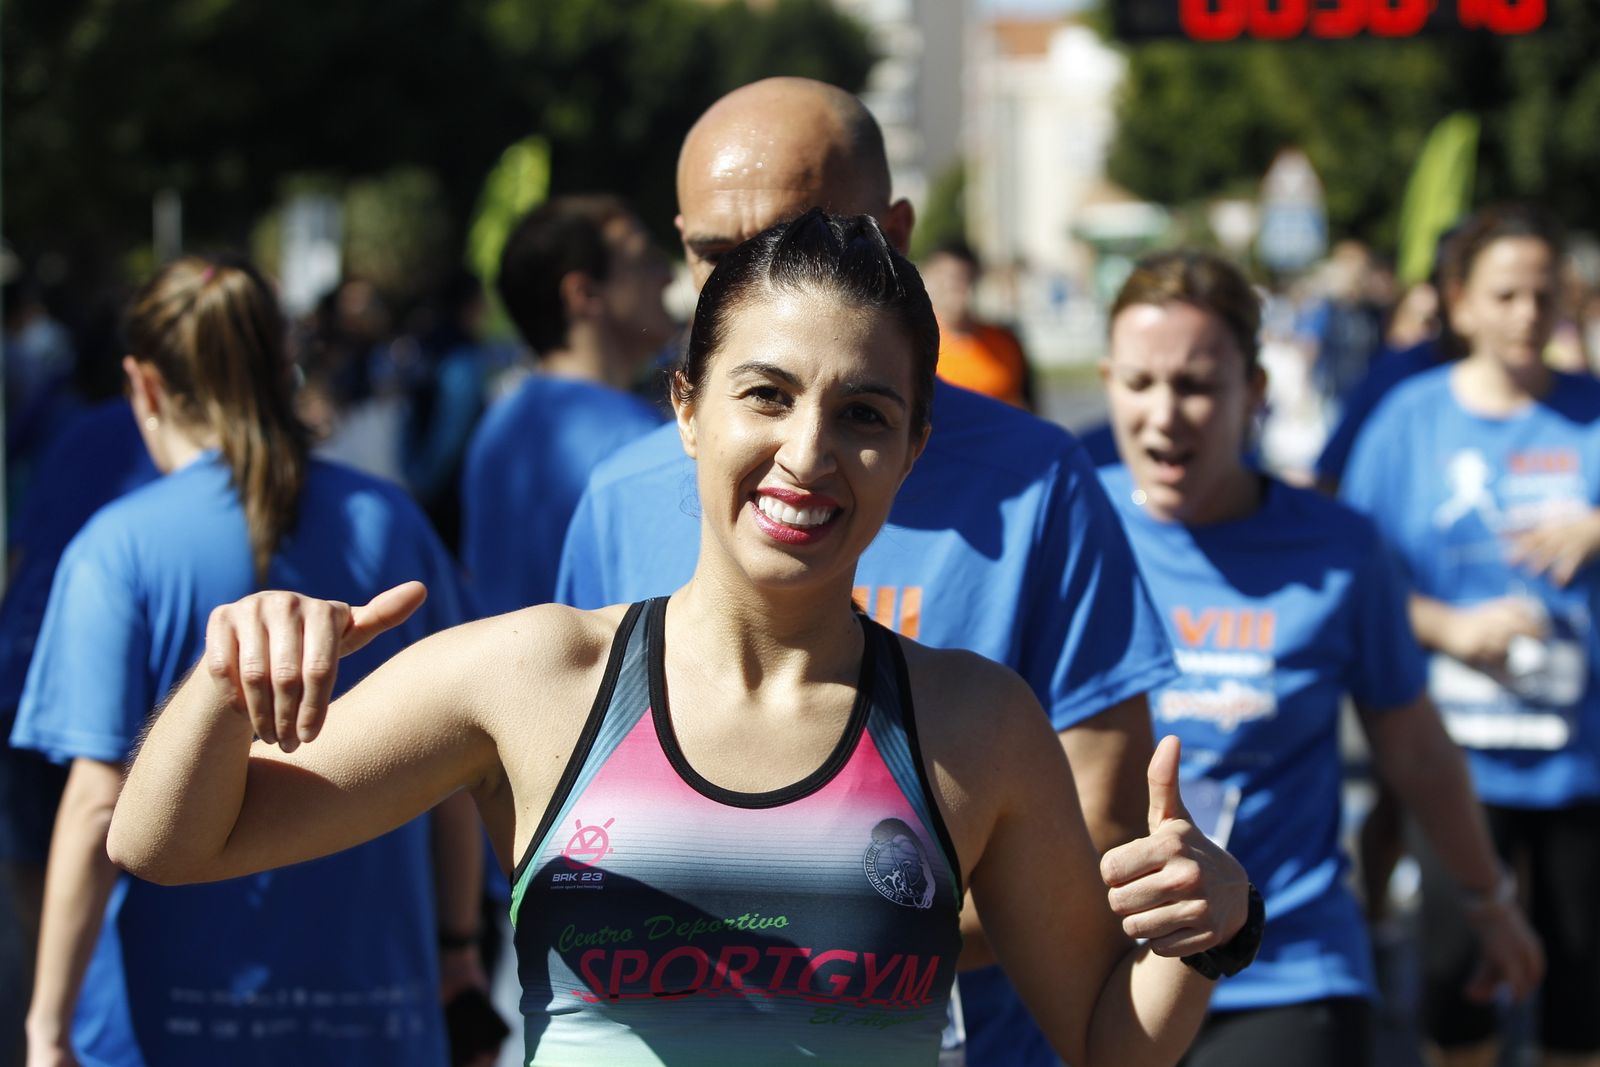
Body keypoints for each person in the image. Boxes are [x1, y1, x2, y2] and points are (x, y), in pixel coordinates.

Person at [108, 210, 1259, 1067]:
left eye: (863, 413)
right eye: (765, 393)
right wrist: (221, 684)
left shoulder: (976, 722)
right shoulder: (532, 676)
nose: (807, 453)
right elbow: (167, 841)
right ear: (685, 407)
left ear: (912, 451)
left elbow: (1111, 1044)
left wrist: (1208, 928)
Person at [553, 77, 1179, 1066]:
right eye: (719, 255)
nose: (762, 289)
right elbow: (558, 790)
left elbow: (1099, 811)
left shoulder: (1035, 482)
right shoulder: (619, 493)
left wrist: (807, 956)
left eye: (804, 239)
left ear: (893, 232)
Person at [11, 255, 482, 1067]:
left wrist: (46, 1025)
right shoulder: (391, 523)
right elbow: (456, 777)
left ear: (145, 386)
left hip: (164, 1023)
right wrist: (458, 946)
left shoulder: (116, 547)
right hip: (375, 1008)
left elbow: (96, 805)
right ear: (281, 362)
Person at [1097, 249, 1542, 1067]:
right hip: (1101, 967)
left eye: (1196, 385)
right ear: (1106, 381)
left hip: (1287, 965)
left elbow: (1412, 744)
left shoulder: (1339, 549)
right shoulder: (1070, 529)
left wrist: (1488, 900)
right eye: (1138, 383)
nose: (1164, 414)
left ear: (1255, 393)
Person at [1341, 205, 1600, 1067]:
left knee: (1579, 1002)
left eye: (1544, 293)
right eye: (1506, 294)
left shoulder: (1592, 412)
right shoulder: (1409, 420)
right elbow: (1353, 578)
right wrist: (1450, 626)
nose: (1528, 313)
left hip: (1583, 765)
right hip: (1455, 760)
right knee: (1455, 992)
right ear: (1460, 302)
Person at [460, 196, 672, 617]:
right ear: (584, 293)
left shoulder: (495, 429)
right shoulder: (643, 445)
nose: (666, 275)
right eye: (643, 258)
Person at [920, 240, 1035, 410]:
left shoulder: (1006, 343)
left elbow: (1030, 411)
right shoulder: (917, 345)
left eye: (959, 279)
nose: (951, 288)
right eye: (943, 279)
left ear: (975, 281)